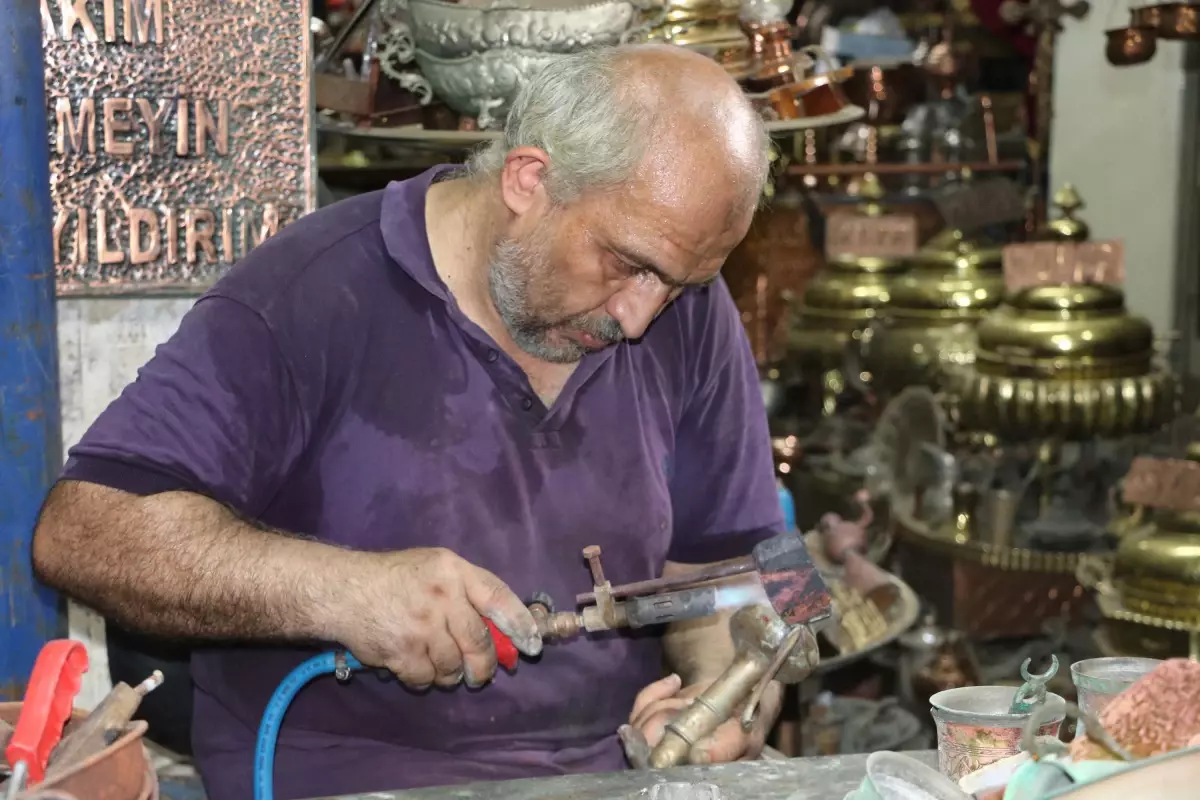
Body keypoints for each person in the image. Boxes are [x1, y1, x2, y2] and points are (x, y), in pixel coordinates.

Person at [32, 44, 788, 798]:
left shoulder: (683, 307)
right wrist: (345, 591)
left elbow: (768, 578)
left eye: (682, 282)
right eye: (628, 263)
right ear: (531, 180)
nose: (639, 317)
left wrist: (734, 695)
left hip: (612, 777)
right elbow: (83, 532)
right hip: (350, 779)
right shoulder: (313, 294)